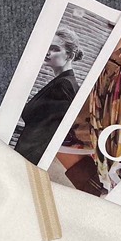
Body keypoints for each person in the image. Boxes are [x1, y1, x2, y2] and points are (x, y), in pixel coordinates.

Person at [14, 28, 83, 165]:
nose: (48, 52)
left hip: (29, 158)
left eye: (55, 49)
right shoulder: (61, 82)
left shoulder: (64, 86)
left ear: (70, 56)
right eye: (48, 47)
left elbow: (46, 135)